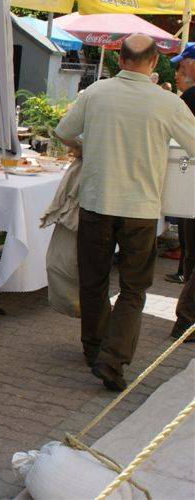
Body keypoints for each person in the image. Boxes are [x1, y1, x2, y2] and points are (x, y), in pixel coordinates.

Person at [53, 34, 195, 391]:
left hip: (97, 202)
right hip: (140, 209)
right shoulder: (167, 102)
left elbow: (63, 131)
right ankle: (113, 358)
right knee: (134, 288)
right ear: (154, 62)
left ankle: (94, 349)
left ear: (120, 59)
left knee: (94, 281)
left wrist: (85, 147)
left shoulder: (96, 93)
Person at [169, 44, 195, 342]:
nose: (180, 71)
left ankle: (186, 319)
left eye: (184, 64)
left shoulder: (190, 97)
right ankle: (187, 319)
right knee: (191, 251)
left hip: (191, 184)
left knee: (191, 251)